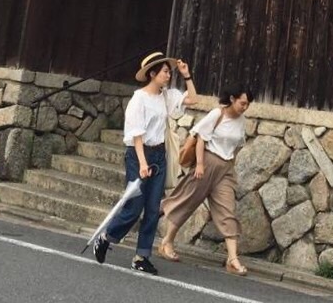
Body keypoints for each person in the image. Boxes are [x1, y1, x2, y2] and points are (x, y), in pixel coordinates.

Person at [93, 51, 196, 274]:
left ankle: (141, 257)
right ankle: (107, 237)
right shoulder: (138, 99)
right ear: (153, 73)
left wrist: (187, 76)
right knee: (133, 207)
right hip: (138, 155)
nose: (169, 75)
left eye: (169, 71)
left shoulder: (166, 96)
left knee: (152, 209)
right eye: (165, 71)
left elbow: (192, 99)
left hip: (159, 154)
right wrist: (141, 163)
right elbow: (136, 134)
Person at [157, 84, 253, 276]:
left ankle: (232, 259)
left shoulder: (241, 121)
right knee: (187, 201)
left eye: (248, 104)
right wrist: (199, 164)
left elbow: (237, 145)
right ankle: (166, 241)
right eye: (242, 103)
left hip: (225, 169)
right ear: (233, 99)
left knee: (227, 210)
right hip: (207, 163)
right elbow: (200, 137)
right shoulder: (217, 114)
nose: (245, 107)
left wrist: (230, 166)